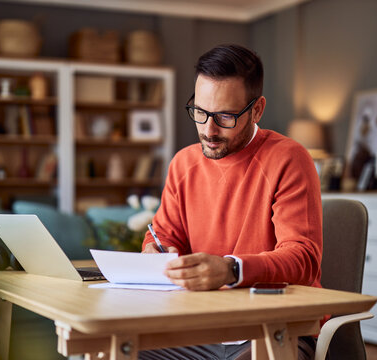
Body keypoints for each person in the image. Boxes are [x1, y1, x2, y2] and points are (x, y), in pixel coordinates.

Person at [140, 44, 323, 360]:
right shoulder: (183, 164)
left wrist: (230, 270)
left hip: (274, 328)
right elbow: (161, 238)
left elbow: (303, 260)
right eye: (200, 112)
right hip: (200, 327)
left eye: (225, 116)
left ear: (257, 109)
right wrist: (155, 253)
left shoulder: (289, 159)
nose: (208, 130)